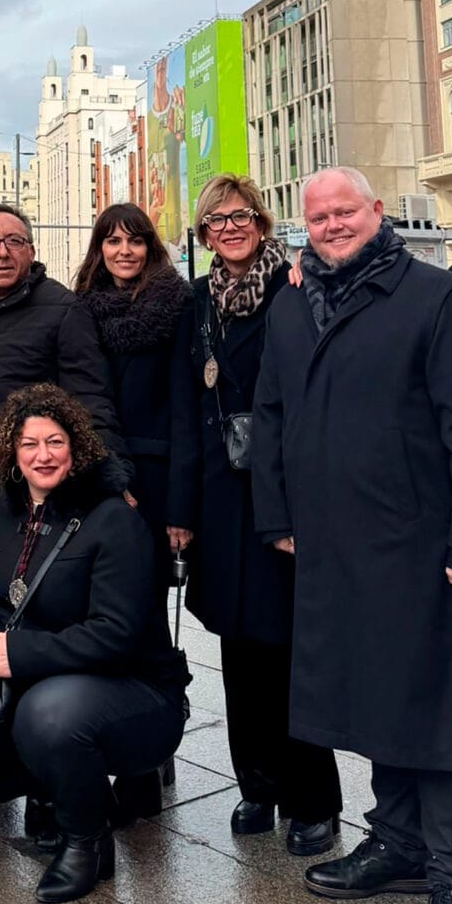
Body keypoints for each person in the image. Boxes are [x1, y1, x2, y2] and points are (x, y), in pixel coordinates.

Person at [253, 168, 452, 904]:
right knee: (373, 702)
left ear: (375, 211)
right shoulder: (292, 304)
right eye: (318, 217)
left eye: (345, 212)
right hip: (332, 548)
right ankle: (400, 843)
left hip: (423, 551)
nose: (332, 225)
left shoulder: (437, 297)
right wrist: (278, 515)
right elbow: (270, 413)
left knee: (441, 718)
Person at [0, 384, 189, 904]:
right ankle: (62, 790)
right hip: (50, 681)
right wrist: (0, 657)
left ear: (77, 448)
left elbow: (117, 633)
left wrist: (21, 656)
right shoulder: (7, 513)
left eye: (55, 442)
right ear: (12, 452)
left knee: (46, 717)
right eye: (29, 444)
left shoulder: (112, 518)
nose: (43, 455)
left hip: (135, 689)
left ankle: (87, 842)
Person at [166, 172, 341, 859]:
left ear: (262, 224)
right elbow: (186, 410)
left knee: (289, 646)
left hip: (283, 490)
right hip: (220, 495)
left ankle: (312, 797)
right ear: (205, 235)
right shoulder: (197, 303)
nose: (230, 228)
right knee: (238, 647)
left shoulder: (294, 288)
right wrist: (180, 509)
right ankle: (257, 784)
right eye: (217, 220)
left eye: (241, 216)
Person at [0, 202, 128, 659]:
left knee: (13, 625)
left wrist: (115, 476)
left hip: (18, 505)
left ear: (31, 251)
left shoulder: (62, 308)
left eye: (14, 241)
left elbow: (91, 400)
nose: (2, 252)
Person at [74, 201, 190, 595]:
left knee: (149, 602)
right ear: (99, 249)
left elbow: (185, 411)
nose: (124, 251)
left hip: (155, 480)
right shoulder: (82, 309)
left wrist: (180, 509)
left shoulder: (175, 305)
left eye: (135, 241)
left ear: (149, 247)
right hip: (96, 470)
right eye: (113, 241)